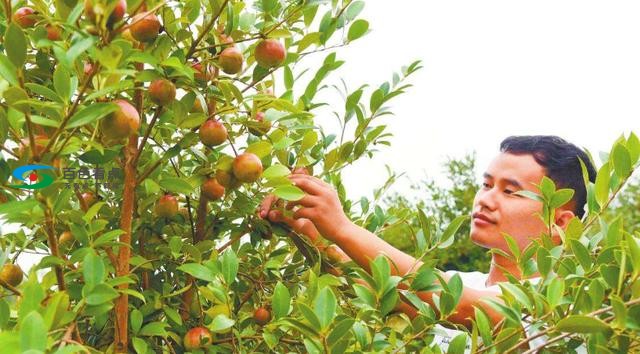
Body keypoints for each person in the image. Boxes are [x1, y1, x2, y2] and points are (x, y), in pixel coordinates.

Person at [258, 135, 597, 350]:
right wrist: (310, 228)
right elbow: (378, 287)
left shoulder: (564, 305)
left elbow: (460, 306)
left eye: (510, 191)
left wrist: (342, 227)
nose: (486, 200)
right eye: (486, 185)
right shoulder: (465, 283)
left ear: (560, 223)